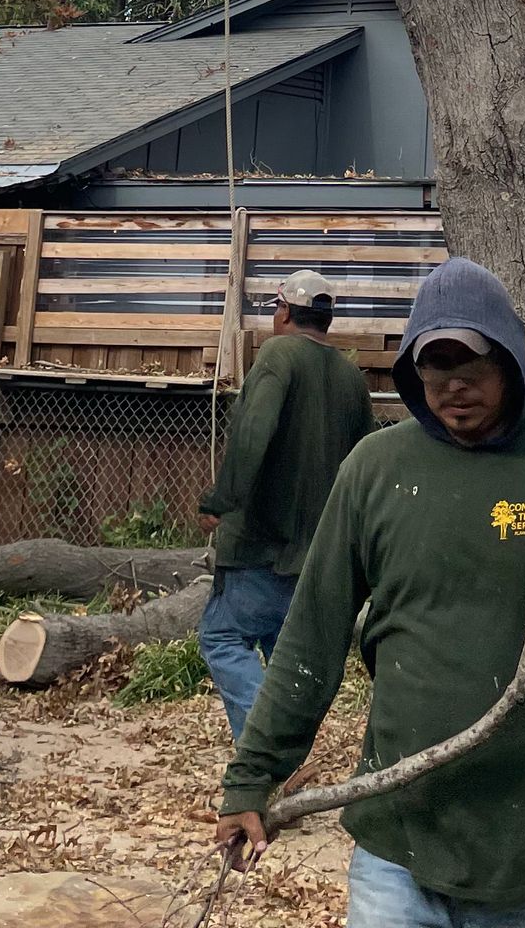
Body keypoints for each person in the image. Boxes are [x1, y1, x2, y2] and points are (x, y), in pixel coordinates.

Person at [214, 255, 525, 926]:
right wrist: (252, 778)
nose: (452, 389)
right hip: (399, 844)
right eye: (435, 371)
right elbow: (311, 637)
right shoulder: (377, 468)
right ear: (411, 370)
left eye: (471, 371)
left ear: (511, 362)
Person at [196, 265, 376, 742]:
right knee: (284, 653)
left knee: (223, 637)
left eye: (276, 308)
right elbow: (364, 461)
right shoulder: (351, 377)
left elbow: (253, 434)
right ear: (326, 320)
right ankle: (288, 755)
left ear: (285, 313)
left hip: (262, 546)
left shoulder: (277, 356)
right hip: (317, 554)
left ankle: (264, 747)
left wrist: (221, 499)